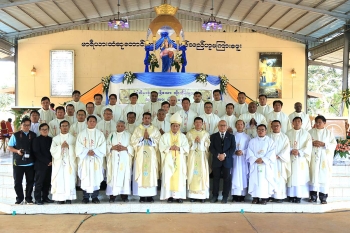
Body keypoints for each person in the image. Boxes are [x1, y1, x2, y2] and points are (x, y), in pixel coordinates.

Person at [131, 112, 161, 203]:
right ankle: (142, 196)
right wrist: (142, 139)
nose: (147, 119)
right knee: (141, 173)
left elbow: (159, 141)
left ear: (151, 119)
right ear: (142, 119)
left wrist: (150, 139)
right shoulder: (137, 129)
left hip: (151, 156)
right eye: (145, 118)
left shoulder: (155, 130)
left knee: (151, 174)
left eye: (148, 118)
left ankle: (150, 196)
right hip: (141, 155)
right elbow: (133, 141)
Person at [159, 112, 190, 203]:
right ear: (170, 126)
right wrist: (169, 148)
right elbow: (161, 146)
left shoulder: (183, 137)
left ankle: (179, 196)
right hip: (169, 160)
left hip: (179, 160)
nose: (175, 128)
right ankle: (170, 196)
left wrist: (179, 148)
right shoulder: (165, 136)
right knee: (169, 176)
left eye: (177, 126)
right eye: (173, 126)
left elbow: (187, 147)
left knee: (179, 177)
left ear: (179, 127)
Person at [76, 116, 106, 204]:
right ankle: (85, 197)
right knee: (85, 178)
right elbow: (78, 146)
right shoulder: (81, 134)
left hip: (96, 160)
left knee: (95, 178)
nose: (92, 123)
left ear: (96, 123)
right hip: (85, 160)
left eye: (93, 121)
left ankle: (95, 197)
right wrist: (86, 152)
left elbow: (102, 145)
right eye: (90, 121)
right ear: (87, 122)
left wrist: (95, 151)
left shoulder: (100, 134)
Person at [308, 115, 336, 204]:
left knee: (323, 176)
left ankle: (323, 197)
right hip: (313, 157)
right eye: (316, 122)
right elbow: (305, 143)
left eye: (320, 122)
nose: (317, 124)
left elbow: (333, 144)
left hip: (324, 158)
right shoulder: (310, 132)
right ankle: (313, 196)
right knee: (313, 176)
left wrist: (324, 144)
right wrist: (312, 143)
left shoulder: (329, 133)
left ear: (324, 123)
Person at [8, 118, 37, 204]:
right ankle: (19, 198)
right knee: (17, 182)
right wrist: (17, 151)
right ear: (21, 125)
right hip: (18, 163)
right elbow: (9, 147)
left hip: (30, 163)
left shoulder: (33, 135)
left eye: (28, 125)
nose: (26, 127)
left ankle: (28, 198)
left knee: (30, 181)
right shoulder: (15, 135)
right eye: (24, 125)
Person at [246, 124, 276, 205]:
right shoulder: (252, 141)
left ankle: (264, 198)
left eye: (262, 130)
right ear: (256, 131)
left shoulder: (270, 141)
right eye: (259, 130)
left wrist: (263, 159)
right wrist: (255, 159)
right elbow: (249, 152)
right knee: (255, 180)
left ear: (266, 131)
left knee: (265, 181)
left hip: (265, 165)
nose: (260, 131)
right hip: (255, 164)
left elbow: (272, 152)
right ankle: (255, 198)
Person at [285, 117, 312, 203]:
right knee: (291, 176)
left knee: (300, 176)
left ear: (301, 123)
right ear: (292, 122)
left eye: (299, 121)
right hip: (291, 157)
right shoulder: (288, 133)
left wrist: (299, 151)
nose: (297, 123)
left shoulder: (306, 134)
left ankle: (299, 196)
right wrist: (290, 150)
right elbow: (285, 145)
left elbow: (308, 146)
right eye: (295, 121)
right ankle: (290, 195)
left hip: (301, 159)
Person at [106, 120, 134, 203]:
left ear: (125, 127)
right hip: (114, 158)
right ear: (116, 127)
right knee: (113, 175)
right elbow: (107, 144)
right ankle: (112, 196)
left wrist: (126, 148)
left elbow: (132, 146)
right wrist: (112, 147)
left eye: (122, 126)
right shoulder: (111, 135)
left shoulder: (128, 135)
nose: (120, 127)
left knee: (125, 176)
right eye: (119, 126)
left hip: (124, 158)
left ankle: (124, 196)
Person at [50, 120, 77, 204]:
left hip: (69, 163)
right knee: (59, 180)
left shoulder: (73, 138)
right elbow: (52, 150)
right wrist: (60, 147)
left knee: (70, 179)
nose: (64, 128)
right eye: (63, 126)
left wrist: (69, 147)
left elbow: (77, 149)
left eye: (66, 126)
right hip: (59, 164)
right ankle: (60, 198)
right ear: (60, 127)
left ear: (69, 127)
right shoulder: (55, 138)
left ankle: (69, 197)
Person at [210, 120, 236, 203]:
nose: (222, 127)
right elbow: (211, 148)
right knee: (216, 179)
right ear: (218, 126)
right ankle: (215, 196)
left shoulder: (231, 136)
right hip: (216, 160)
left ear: (227, 126)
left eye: (224, 125)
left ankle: (225, 196)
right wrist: (218, 155)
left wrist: (224, 155)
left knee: (227, 179)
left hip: (227, 160)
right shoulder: (213, 136)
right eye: (221, 125)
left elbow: (233, 148)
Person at [186, 117, 210, 202]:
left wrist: (201, 143)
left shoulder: (205, 133)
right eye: (196, 122)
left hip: (202, 156)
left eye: (200, 122)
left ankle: (202, 196)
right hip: (192, 156)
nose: (198, 124)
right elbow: (186, 145)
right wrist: (193, 142)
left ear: (202, 124)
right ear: (194, 123)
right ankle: (192, 196)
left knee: (202, 173)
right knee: (192, 172)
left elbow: (208, 145)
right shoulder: (189, 133)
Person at [268, 120, 291, 203]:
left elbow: (287, 148)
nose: (276, 127)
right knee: (270, 177)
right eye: (274, 125)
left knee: (280, 178)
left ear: (280, 126)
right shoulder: (268, 136)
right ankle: (270, 195)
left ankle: (279, 196)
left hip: (280, 161)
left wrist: (278, 156)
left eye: (277, 125)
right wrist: (271, 156)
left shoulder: (285, 137)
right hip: (270, 162)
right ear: (271, 127)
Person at [32, 123, 53, 205]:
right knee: (39, 183)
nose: (45, 131)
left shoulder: (51, 139)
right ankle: (37, 198)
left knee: (47, 182)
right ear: (40, 130)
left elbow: (53, 151)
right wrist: (47, 161)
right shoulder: (36, 140)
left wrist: (51, 161)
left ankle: (45, 197)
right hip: (40, 165)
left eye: (46, 129)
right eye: (43, 129)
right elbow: (36, 153)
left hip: (50, 165)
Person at [231, 120, 250, 202]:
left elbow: (250, 148)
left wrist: (243, 152)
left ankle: (242, 195)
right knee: (234, 175)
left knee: (242, 176)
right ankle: (234, 195)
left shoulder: (247, 137)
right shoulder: (232, 136)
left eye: (241, 124)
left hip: (243, 159)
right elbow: (229, 147)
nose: (239, 126)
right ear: (235, 126)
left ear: (244, 126)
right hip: (234, 159)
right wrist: (234, 151)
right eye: (238, 124)